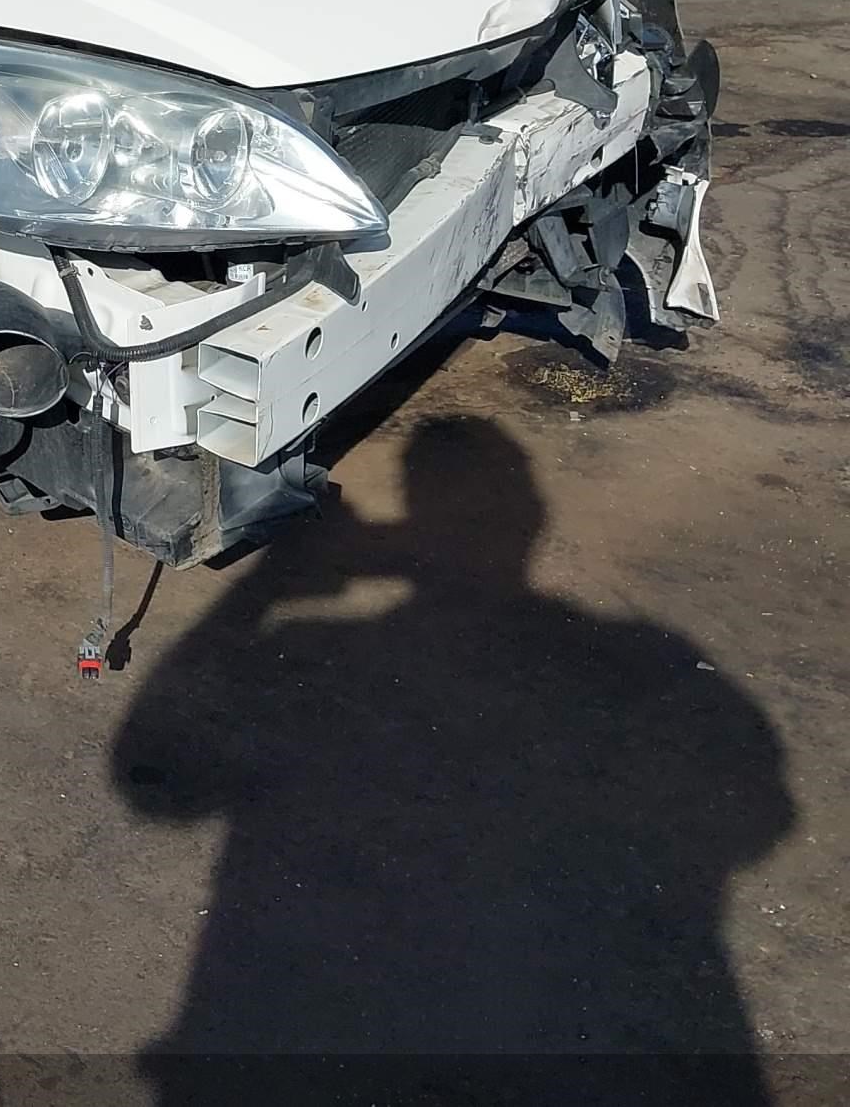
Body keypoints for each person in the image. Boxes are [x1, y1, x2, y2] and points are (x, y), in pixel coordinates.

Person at [114, 416, 793, 1106]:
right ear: (532, 519)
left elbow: (152, 785)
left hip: (306, 1007)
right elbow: (761, 817)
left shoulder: (319, 645)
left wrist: (262, 589)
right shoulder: (649, 658)